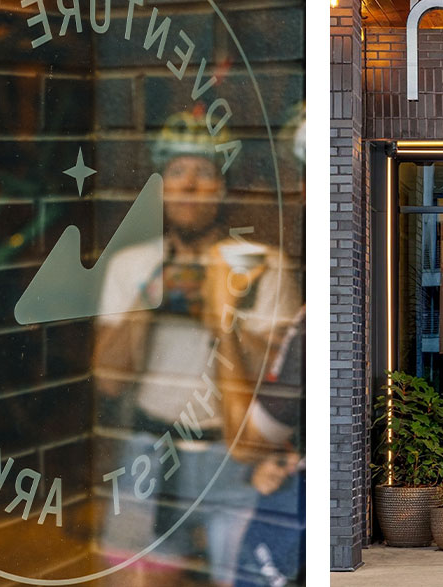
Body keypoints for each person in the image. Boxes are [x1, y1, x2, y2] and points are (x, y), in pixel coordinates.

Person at [92, 111, 300, 586]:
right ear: (161, 186)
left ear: (222, 189)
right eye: (177, 172)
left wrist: (222, 312)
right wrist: (149, 300)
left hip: (239, 462)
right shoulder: (131, 266)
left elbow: (284, 378)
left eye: (204, 173)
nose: (189, 185)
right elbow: (107, 379)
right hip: (150, 454)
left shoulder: (263, 266)